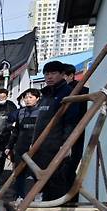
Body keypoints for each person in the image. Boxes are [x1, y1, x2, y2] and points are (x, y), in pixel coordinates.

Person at [31, 60, 81, 201]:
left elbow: (70, 121)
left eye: (53, 73)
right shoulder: (46, 94)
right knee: (40, 182)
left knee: (55, 183)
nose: (49, 77)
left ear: (62, 74)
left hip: (56, 147)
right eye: (46, 74)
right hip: (40, 146)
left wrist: (66, 144)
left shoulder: (68, 93)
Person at [6, 88, 41, 198]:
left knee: (37, 173)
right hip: (21, 146)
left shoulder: (42, 112)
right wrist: (9, 146)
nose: (27, 100)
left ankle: (38, 196)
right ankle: (19, 196)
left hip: (36, 147)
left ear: (37, 99)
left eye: (31, 97)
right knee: (19, 173)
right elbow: (16, 131)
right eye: (25, 97)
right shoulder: (21, 112)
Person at [63, 63, 89, 201]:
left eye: (63, 76)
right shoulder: (58, 91)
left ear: (71, 76)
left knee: (71, 165)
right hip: (62, 133)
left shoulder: (84, 91)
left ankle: (70, 197)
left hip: (77, 133)